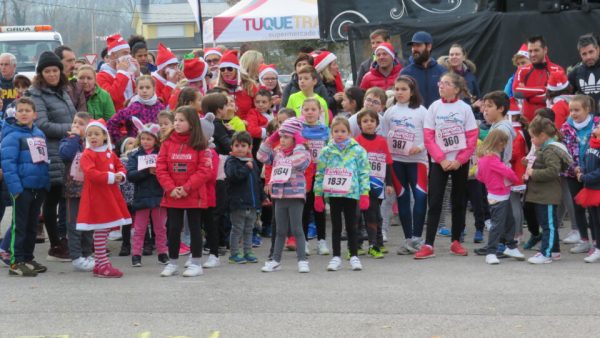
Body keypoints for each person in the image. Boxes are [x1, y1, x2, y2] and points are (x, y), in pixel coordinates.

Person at [415, 72, 478, 259]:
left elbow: (472, 137)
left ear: (457, 89)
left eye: (446, 83)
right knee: (434, 202)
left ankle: (456, 241)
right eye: (440, 82)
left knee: (458, 202)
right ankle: (428, 244)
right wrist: (441, 159)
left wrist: (459, 160)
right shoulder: (434, 107)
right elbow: (428, 137)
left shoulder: (465, 109)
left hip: (460, 162)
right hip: (438, 162)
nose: (441, 86)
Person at [27, 51, 77, 262]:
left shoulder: (63, 91)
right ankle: (55, 244)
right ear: (41, 73)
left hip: (67, 150)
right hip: (49, 152)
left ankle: (64, 238)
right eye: (47, 71)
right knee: (52, 199)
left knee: (65, 198)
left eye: (55, 70)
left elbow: (72, 115)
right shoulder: (36, 94)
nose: (52, 74)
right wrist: (71, 128)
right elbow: (42, 124)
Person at [156, 106, 212, 277]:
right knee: (173, 228)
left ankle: (196, 263)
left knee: (195, 228)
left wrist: (186, 187)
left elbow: (204, 170)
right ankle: (172, 263)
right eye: (176, 120)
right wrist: (171, 188)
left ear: (192, 123)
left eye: (181, 120)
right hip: (173, 194)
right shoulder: (167, 142)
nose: (177, 123)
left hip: (193, 194)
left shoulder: (200, 144)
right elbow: (161, 167)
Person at [76, 120, 132, 278]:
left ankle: (100, 264)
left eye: (96, 134)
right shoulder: (87, 154)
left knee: (105, 228)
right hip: (97, 196)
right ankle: (103, 263)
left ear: (105, 136)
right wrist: (111, 177)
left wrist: (121, 175)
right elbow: (91, 173)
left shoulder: (110, 153)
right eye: (89, 134)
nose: (92, 137)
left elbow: (120, 165)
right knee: (101, 228)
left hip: (109, 194)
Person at [314, 116, 370, 271]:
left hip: (351, 194)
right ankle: (336, 256)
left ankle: (354, 255)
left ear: (349, 132)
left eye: (343, 131)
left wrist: (365, 192)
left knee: (352, 225)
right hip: (334, 194)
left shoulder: (358, 150)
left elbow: (364, 172)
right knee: (336, 226)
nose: (339, 134)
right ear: (331, 133)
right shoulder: (326, 151)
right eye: (336, 131)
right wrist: (318, 195)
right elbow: (320, 174)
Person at [1, 97, 50, 276]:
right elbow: (8, 164)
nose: (23, 113)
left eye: (27, 111)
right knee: (19, 226)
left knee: (31, 226)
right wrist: (16, 189)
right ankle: (16, 262)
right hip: (22, 189)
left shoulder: (39, 134)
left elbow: (43, 160)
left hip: (38, 187)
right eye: (20, 110)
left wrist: (45, 184)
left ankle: (28, 258)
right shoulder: (12, 135)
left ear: (34, 115)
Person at [381, 75, 428, 254]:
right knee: (403, 198)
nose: (399, 92)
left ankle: (417, 237)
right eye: (397, 89)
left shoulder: (422, 111)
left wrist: (420, 147)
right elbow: (385, 138)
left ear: (412, 91)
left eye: (403, 89)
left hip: (418, 161)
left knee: (421, 197)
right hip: (397, 161)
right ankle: (408, 238)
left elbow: (430, 135)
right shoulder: (390, 112)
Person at [257, 118, 311, 272]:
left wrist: (300, 141)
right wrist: (271, 138)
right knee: (280, 230)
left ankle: (302, 260)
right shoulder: (277, 153)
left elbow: (299, 161)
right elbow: (261, 156)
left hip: (295, 195)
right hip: (279, 196)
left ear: (295, 137)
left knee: (296, 229)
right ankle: (275, 260)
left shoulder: (302, 152)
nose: (282, 140)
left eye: (286, 137)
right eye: (281, 136)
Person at [473, 129, 525, 264]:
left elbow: (479, 176)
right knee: (498, 225)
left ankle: (511, 246)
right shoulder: (492, 159)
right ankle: (491, 252)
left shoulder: (484, 159)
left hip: (497, 193)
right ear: (498, 143)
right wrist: (513, 179)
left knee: (509, 221)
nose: (504, 146)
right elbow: (508, 173)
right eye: (503, 144)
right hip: (499, 194)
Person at [525, 116, 572, 264]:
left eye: (533, 137)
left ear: (543, 136)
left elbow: (552, 171)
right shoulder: (544, 149)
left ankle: (546, 253)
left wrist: (533, 173)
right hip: (542, 194)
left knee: (548, 226)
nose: (531, 140)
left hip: (548, 194)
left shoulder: (550, 150)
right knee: (548, 224)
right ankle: (555, 251)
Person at [127, 117, 168, 267]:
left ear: (155, 140)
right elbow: (130, 175)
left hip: (158, 196)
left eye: (149, 139)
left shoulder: (162, 154)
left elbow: (167, 173)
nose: (145, 141)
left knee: (160, 228)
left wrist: (160, 172)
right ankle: (136, 255)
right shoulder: (135, 155)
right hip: (142, 197)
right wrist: (146, 171)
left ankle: (162, 253)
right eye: (143, 138)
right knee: (139, 229)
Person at [560, 95, 600, 254]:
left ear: (587, 109)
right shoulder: (565, 127)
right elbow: (565, 151)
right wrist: (575, 167)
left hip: (593, 173)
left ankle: (597, 242)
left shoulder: (597, 124)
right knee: (578, 206)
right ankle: (584, 240)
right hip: (573, 173)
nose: (573, 114)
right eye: (571, 110)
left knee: (593, 209)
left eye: (577, 110)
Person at [354, 109, 393, 258]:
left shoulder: (382, 141)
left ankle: (377, 243)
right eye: (365, 121)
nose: (369, 124)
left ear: (377, 123)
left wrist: (389, 184)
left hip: (377, 185)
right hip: (360, 185)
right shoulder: (356, 142)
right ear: (360, 124)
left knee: (375, 215)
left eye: (372, 121)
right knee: (357, 215)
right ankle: (357, 244)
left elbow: (388, 163)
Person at [58, 112, 94, 272]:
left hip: (89, 190)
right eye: (74, 123)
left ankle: (87, 253)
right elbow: (65, 154)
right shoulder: (68, 141)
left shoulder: (91, 144)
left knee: (88, 224)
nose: (76, 126)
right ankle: (76, 256)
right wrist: (74, 138)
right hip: (73, 191)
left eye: (81, 124)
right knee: (74, 225)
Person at [224, 131, 263, 264]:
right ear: (232, 147)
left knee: (249, 229)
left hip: (251, 204)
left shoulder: (252, 162)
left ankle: (248, 251)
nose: (240, 148)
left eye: (243, 145)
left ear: (249, 147)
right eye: (237, 145)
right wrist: (246, 168)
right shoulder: (231, 161)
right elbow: (234, 177)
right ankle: (234, 254)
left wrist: (262, 198)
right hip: (238, 203)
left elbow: (257, 182)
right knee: (237, 229)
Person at [300, 98, 330, 255]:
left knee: (319, 207)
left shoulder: (326, 130)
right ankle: (303, 241)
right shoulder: (298, 130)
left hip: (320, 174)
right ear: (302, 112)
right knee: (304, 208)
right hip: (303, 175)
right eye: (307, 109)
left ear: (320, 112)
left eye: (313, 109)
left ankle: (321, 241)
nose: (310, 112)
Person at [513, 35, 564, 122]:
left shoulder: (556, 70)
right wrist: (543, 89)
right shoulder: (522, 70)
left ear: (545, 50)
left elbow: (555, 96)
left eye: (536, 50)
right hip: (527, 122)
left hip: (548, 123)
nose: (532, 54)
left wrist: (527, 95)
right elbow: (517, 92)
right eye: (530, 51)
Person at [107, 75, 165, 144]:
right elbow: (112, 123)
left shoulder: (160, 107)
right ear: (136, 89)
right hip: (137, 147)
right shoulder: (132, 108)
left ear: (154, 89)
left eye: (148, 88)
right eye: (141, 88)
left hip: (156, 147)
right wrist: (123, 141)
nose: (144, 91)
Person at [400, 31, 447, 108]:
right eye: (413, 46)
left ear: (429, 47)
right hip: (414, 117)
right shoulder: (406, 73)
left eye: (418, 45)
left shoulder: (442, 72)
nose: (414, 49)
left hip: (438, 118)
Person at [575, 124, 600, 262]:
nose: (597, 126)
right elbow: (585, 160)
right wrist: (582, 169)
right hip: (590, 189)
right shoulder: (592, 144)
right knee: (594, 220)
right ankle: (597, 247)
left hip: (598, 189)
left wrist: (585, 177)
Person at [97, 34, 138, 111]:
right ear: (113, 55)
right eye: (125, 53)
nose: (129, 56)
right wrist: (121, 72)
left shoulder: (128, 73)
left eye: (129, 53)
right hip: (117, 119)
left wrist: (138, 76)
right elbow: (112, 97)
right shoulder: (101, 76)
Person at [216, 50, 259, 119]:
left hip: (247, 125)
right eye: (222, 69)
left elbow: (257, 108)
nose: (226, 71)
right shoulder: (216, 87)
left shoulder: (249, 85)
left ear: (236, 69)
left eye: (229, 69)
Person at [568, 34, 600, 115]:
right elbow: (565, 97)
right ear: (580, 54)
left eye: (591, 52)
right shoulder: (575, 72)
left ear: (598, 50)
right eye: (584, 54)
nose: (588, 57)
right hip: (585, 122)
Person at [55, 45, 87, 112]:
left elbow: (82, 115)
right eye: (69, 61)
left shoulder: (77, 86)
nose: (73, 65)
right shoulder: (48, 86)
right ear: (58, 62)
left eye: (74, 60)